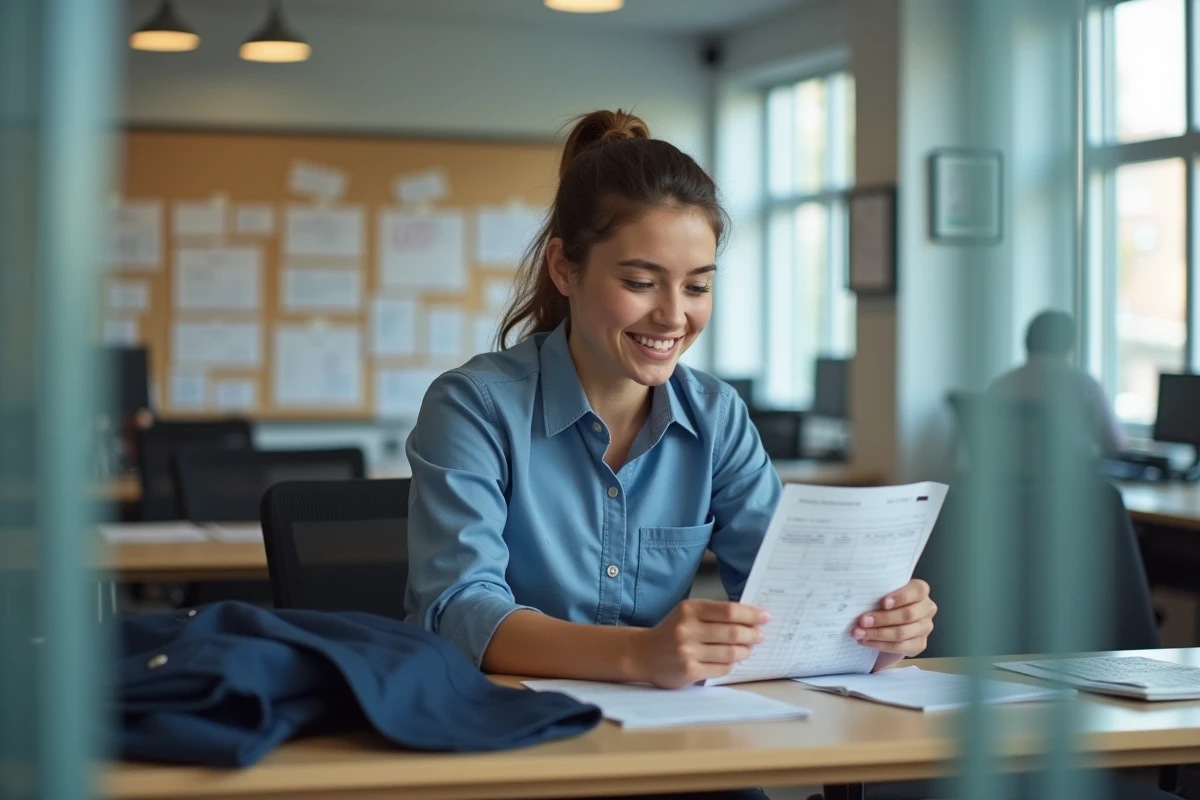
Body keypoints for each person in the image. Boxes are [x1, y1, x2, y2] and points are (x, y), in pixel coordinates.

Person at [404, 109, 935, 698]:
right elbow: (459, 611)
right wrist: (640, 652)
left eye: (698, 286)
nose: (674, 315)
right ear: (563, 268)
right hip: (506, 728)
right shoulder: (473, 407)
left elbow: (787, 599)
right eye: (640, 282)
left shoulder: (717, 416)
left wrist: (873, 631)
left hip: (667, 731)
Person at [988, 310, 1125, 457]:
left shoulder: (1000, 385)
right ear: (1068, 346)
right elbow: (1116, 445)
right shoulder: (1084, 385)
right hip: (1068, 477)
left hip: (1006, 478)